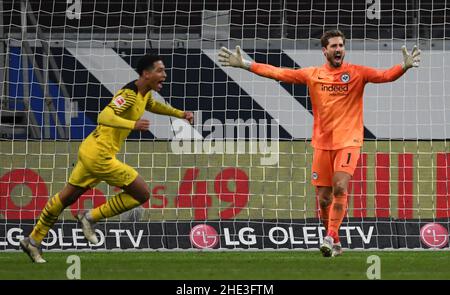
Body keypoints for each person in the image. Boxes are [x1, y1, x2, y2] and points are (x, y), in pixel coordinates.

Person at [218, 29, 420, 257]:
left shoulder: (356, 73)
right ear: (324, 51)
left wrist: (403, 66)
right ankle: (334, 240)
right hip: (322, 144)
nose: (338, 49)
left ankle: (328, 237)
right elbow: (277, 72)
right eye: (333, 46)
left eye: (341, 46)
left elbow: (384, 76)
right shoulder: (312, 74)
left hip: (349, 141)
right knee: (324, 199)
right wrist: (244, 63)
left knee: (340, 187)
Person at [20, 54, 194, 263]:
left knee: (66, 198)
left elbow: (153, 106)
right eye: (160, 71)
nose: (164, 75)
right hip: (99, 155)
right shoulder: (128, 94)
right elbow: (104, 116)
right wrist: (133, 125)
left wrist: (179, 113)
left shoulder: (144, 93)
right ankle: (90, 217)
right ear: (146, 74)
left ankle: (33, 239)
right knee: (142, 193)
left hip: (92, 150)